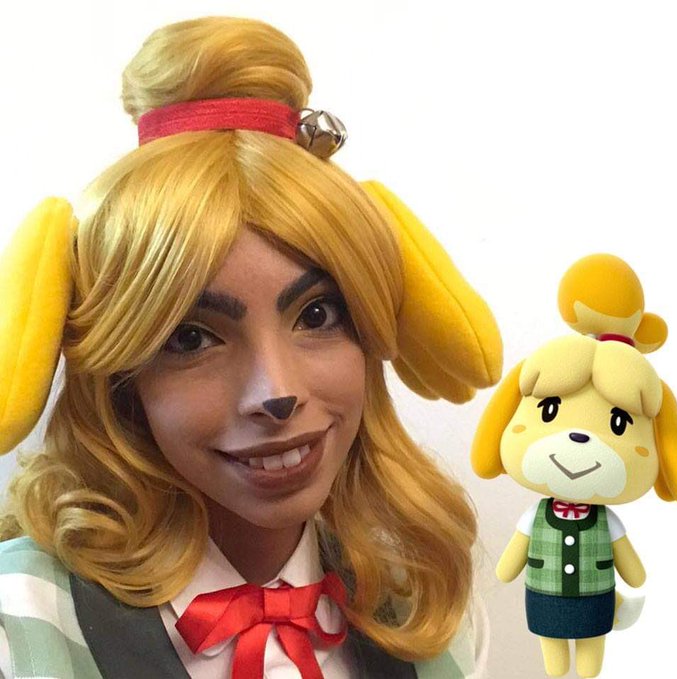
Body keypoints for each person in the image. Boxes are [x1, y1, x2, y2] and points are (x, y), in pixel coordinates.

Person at [0, 16, 502, 678]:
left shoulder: (425, 603)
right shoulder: (21, 624)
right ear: (122, 376)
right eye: (191, 337)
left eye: (317, 314)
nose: (277, 392)